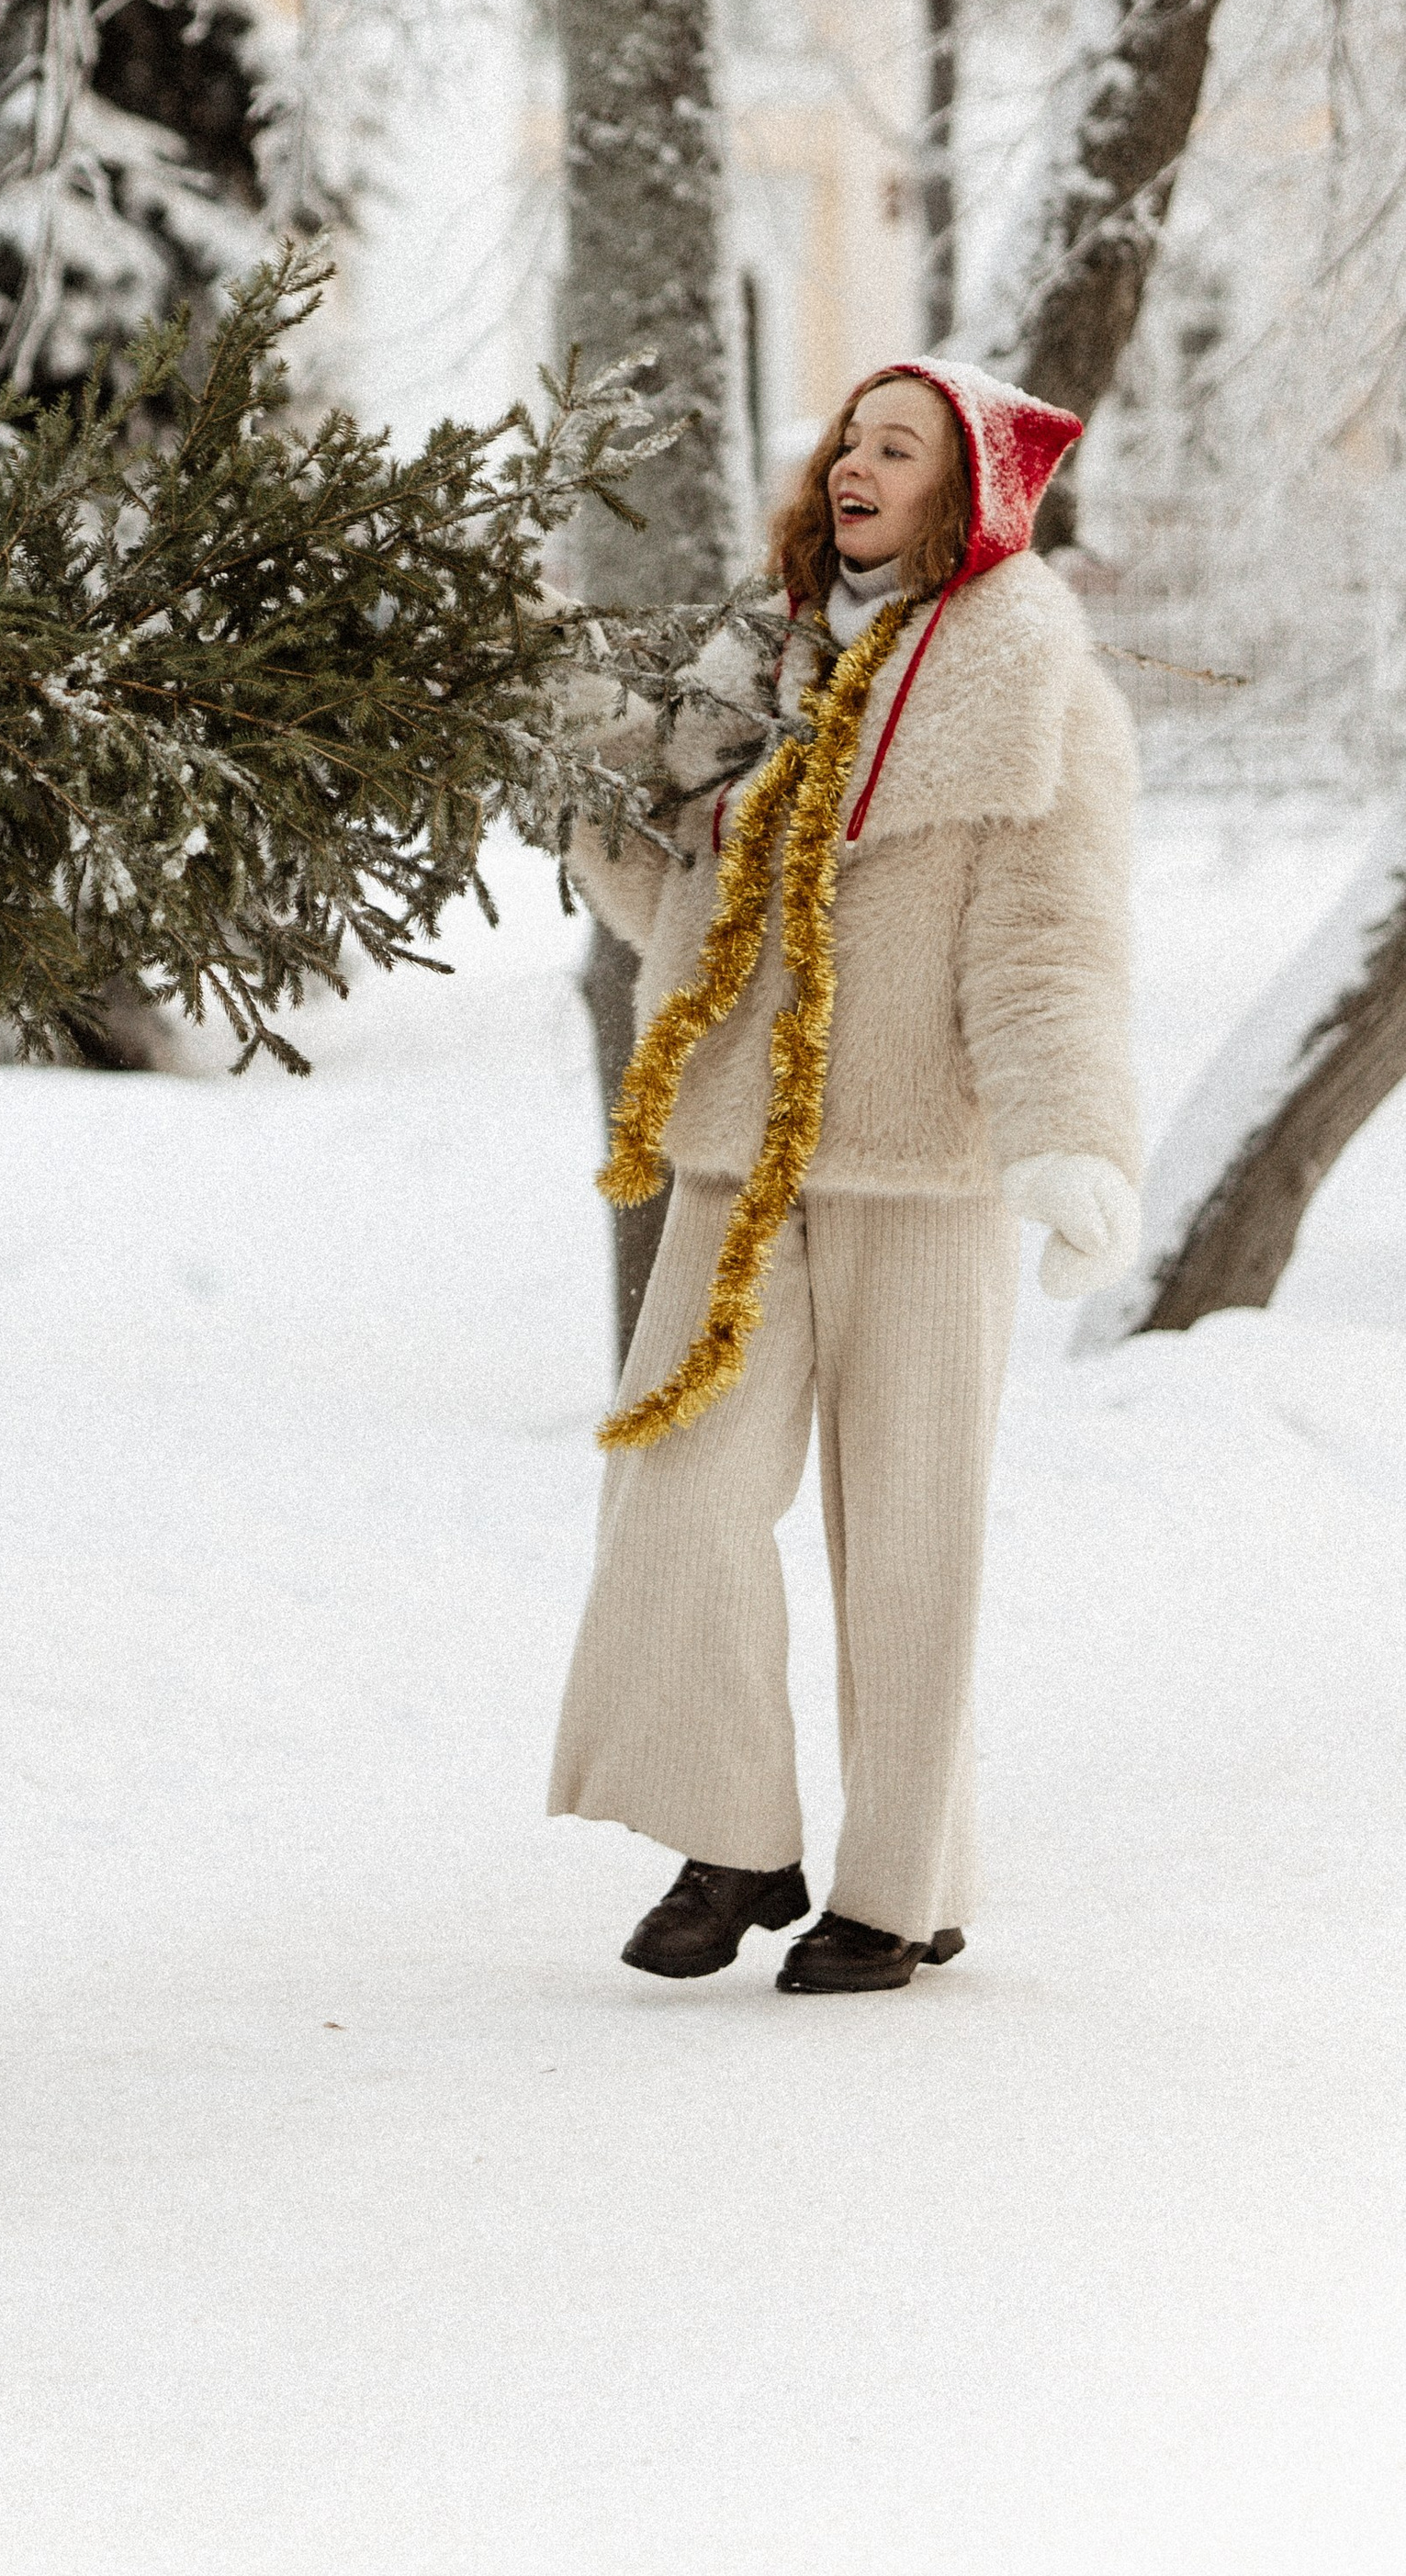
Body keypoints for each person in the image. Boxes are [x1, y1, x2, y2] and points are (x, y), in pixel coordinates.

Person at [550, 359, 1141, 1991]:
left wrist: (1070, 1133)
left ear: (970, 492)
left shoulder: (1034, 683)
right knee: (678, 1487)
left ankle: (905, 1880)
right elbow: (662, 900)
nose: (859, 462)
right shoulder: (755, 662)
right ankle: (735, 1833)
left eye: (903, 444)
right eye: (850, 440)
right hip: (745, 1139)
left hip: (926, 1156)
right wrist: (601, 778)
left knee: (911, 1527)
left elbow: (1051, 938)